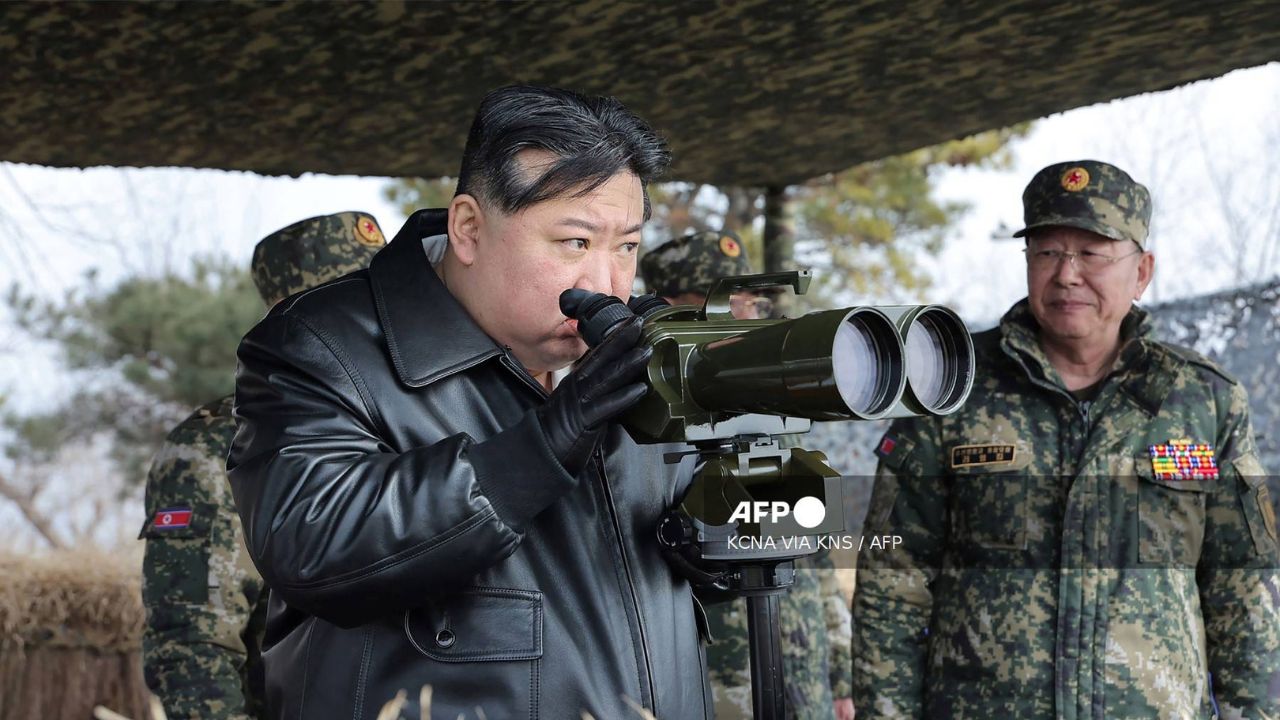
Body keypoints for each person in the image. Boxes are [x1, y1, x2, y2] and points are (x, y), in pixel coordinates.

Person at [227, 85, 713, 719]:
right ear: (469, 229)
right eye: (574, 243)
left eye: (625, 246)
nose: (605, 283)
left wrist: (728, 538)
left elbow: (685, 570)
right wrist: (542, 447)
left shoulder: (636, 356)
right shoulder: (322, 345)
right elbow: (309, 544)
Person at [851, 159, 1280, 718]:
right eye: (1047, 251)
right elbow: (892, 584)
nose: (1067, 274)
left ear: (1142, 271)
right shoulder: (950, 391)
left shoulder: (1200, 400)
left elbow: (1245, 593)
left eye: (1092, 253)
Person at [140, 211, 387, 720]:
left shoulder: (435, 417)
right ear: (289, 323)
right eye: (345, 306)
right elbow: (193, 646)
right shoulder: (217, 444)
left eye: (379, 302)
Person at [640, 229, 855, 720]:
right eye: (726, 301)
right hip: (717, 683)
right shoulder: (646, 426)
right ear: (669, 309)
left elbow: (815, 550)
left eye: (754, 303)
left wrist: (841, 674)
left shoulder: (775, 413)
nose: (747, 315)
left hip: (804, 680)